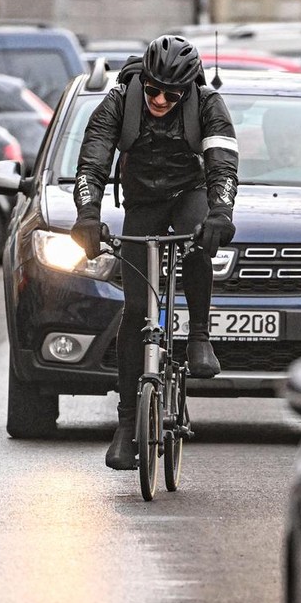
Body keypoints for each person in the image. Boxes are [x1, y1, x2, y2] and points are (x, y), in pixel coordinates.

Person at [71, 34, 239, 471]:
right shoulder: (118, 102)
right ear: (143, 80)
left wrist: (220, 213)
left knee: (197, 240)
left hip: (189, 193)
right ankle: (127, 424)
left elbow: (222, 166)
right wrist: (87, 215)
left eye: (172, 94)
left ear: (188, 90)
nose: (161, 100)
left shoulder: (208, 104)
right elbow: (92, 163)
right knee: (134, 311)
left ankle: (199, 336)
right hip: (142, 201)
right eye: (153, 90)